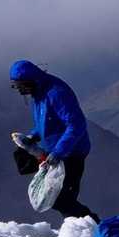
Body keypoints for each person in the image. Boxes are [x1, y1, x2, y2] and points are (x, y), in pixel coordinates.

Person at [9, 61, 94, 220]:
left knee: (62, 198)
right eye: (17, 87)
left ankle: (88, 228)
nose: (22, 92)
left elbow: (77, 124)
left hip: (72, 153)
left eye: (23, 86)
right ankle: (91, 226)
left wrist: (57, 152)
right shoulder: (39, 92)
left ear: (33, 80)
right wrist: (32, 137)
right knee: (59, 197)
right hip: (59, 152)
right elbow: (48, 121)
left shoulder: (56, 94)